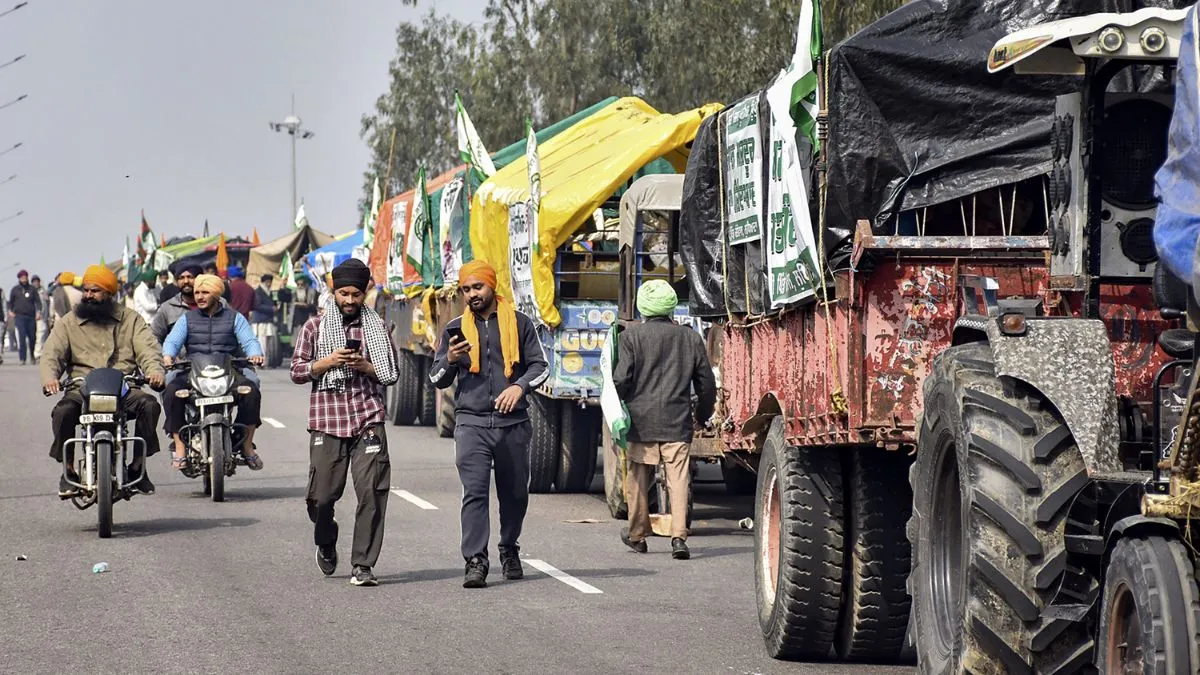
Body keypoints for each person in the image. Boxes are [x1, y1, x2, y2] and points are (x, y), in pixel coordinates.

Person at [429, 260, 549, 588]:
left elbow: (541, 366)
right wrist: (451, 359)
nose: (472, 295)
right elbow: (437, 377)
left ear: (491, 286)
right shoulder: (455, 327)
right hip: (471, 424)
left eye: (477, 287)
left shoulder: (520, 323)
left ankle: (509, 548)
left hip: (514, 424)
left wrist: (519, 387)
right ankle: (475, 560)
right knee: (475, 492)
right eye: (466, 289)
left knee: (514, 495)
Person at [290, 258, 399, 587]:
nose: (350, 301)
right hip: (327, 419)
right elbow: (297, 371)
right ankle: (326, 538)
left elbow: (390, 372)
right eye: (343, 294)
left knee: (372, 492)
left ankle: (363, 564)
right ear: (332, 291)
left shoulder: (377, 328)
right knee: (321, 497)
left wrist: (366, 366)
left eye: (355, 294)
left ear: (365, 292)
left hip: (368, 417)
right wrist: (327, 362)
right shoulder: (314, 327)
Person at [612, 280, 716, 560]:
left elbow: (621, 379)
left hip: (641, 421)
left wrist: (617, 406)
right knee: (679, 479)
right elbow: (706, 384)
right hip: (677, 420)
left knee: (636, 478)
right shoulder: (690, 338)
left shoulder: (631, 338)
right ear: (671, 307)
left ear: (643, 307)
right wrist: (703, 415)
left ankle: (637, 535)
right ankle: (679, 537)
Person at [41, 264, 165, 497]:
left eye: (95, 291)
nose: (89, 295)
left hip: (123, 388)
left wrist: (154, 371)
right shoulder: (68, 322)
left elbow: (148, 350)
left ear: (109, 293)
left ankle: (138, 466)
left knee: (149, 405)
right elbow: (52, 354)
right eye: (86, 290)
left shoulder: (131, 320)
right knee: (63, 412)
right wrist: (51, 378)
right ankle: (68, 470)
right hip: (82, 387)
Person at [161, 274, 265, 471]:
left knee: (252, 390)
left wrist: (255, 354)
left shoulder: (235, 318)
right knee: (171, 388)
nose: (199, 296)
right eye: (197, 292)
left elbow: (249, 341)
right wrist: (168, 355)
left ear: (217, 295)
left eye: (205, 292)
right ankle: (180, 444)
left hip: (229, 369)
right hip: (193, 369)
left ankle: (246, 443)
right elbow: (173, 341)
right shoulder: (187, 319)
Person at [151, 264, 202, 343]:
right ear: (177, 281)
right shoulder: (167, 308)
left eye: (190, 277)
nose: (186, 281)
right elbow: (153, 339)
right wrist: (167, 354)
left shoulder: (217, 304)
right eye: (181, 278)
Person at [8, 269, 42, 365]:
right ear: (19, 278)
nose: (24, 279)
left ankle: (32, 355)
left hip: (31, 316)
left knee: (32, 337)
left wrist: (38, 312)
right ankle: (22, 358)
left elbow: (38, 302)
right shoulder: (15, 290)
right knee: (21, 338)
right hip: (19, 316)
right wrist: (10, 311)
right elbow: (10, 303)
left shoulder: (32, 289)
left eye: (26, 277)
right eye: (22, 277)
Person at [31, 274, 49, 357]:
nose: (36, 283)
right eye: (34, 281)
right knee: (36, 335)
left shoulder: (43, 291)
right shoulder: (30, 291)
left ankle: (39, 352)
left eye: (37, 281)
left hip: (43, 316)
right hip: (33, 316)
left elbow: (47, 303)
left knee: (42, 334)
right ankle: (36, 352)